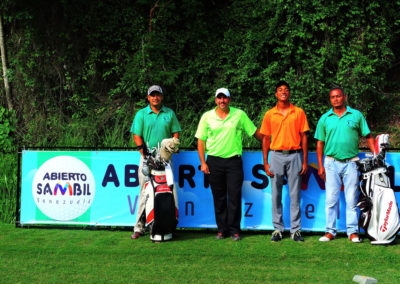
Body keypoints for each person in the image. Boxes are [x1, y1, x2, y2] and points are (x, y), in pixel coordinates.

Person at [195, 88, 263, 241]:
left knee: (234, 197)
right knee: (218, 198)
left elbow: (255, 133)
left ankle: (235, 230)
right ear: (215, 100)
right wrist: (203, 162)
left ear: (229, 100)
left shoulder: (239, 114)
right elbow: (201, 141)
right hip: (214, 161)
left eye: (225, 98)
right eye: (219, 98)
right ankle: (221, 230)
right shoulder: (207, 116)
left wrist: (269, 142)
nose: (222, 101)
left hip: (234, 162)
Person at [315, 86, 375, 243]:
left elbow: (368, 136)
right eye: (333, 97)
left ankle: (353, 232)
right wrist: (320, 165)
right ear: (330, 99)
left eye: (338, 96)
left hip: (351, 163)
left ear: (344, 97)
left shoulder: (356, 115)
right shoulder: (325, 118)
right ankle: (330, 231)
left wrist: (376, 155)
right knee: (331, 200)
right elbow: (320, 143)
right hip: (331, 163)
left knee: (351, 200)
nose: (336, 99)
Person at [130, 85, 181, 239]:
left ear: (162, 96)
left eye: (158, 95)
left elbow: (176, 135)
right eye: (152, 95)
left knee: (169, 192)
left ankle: (169, 225)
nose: (155, 97)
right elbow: (137, 136)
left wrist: (172, 147)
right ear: (148, 97)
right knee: (145, 192)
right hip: (147, 157)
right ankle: (139, 227)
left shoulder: (169, 113)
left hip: (165, 160)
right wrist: (145, 155)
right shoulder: (142, 114)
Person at [260, 80, 309, 242]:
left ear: (289, 93)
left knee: (295, 195)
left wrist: (304, 161)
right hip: (276, 155)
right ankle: (278, 229)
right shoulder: (269, 114)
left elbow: (304, 136)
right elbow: (265, 139)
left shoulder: (298, 112)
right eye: (280, 89)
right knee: (276, 195)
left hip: (295, 154)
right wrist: (266, 163)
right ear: (276, 94)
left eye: (286, 90)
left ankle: (295, 230)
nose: (283, 92)